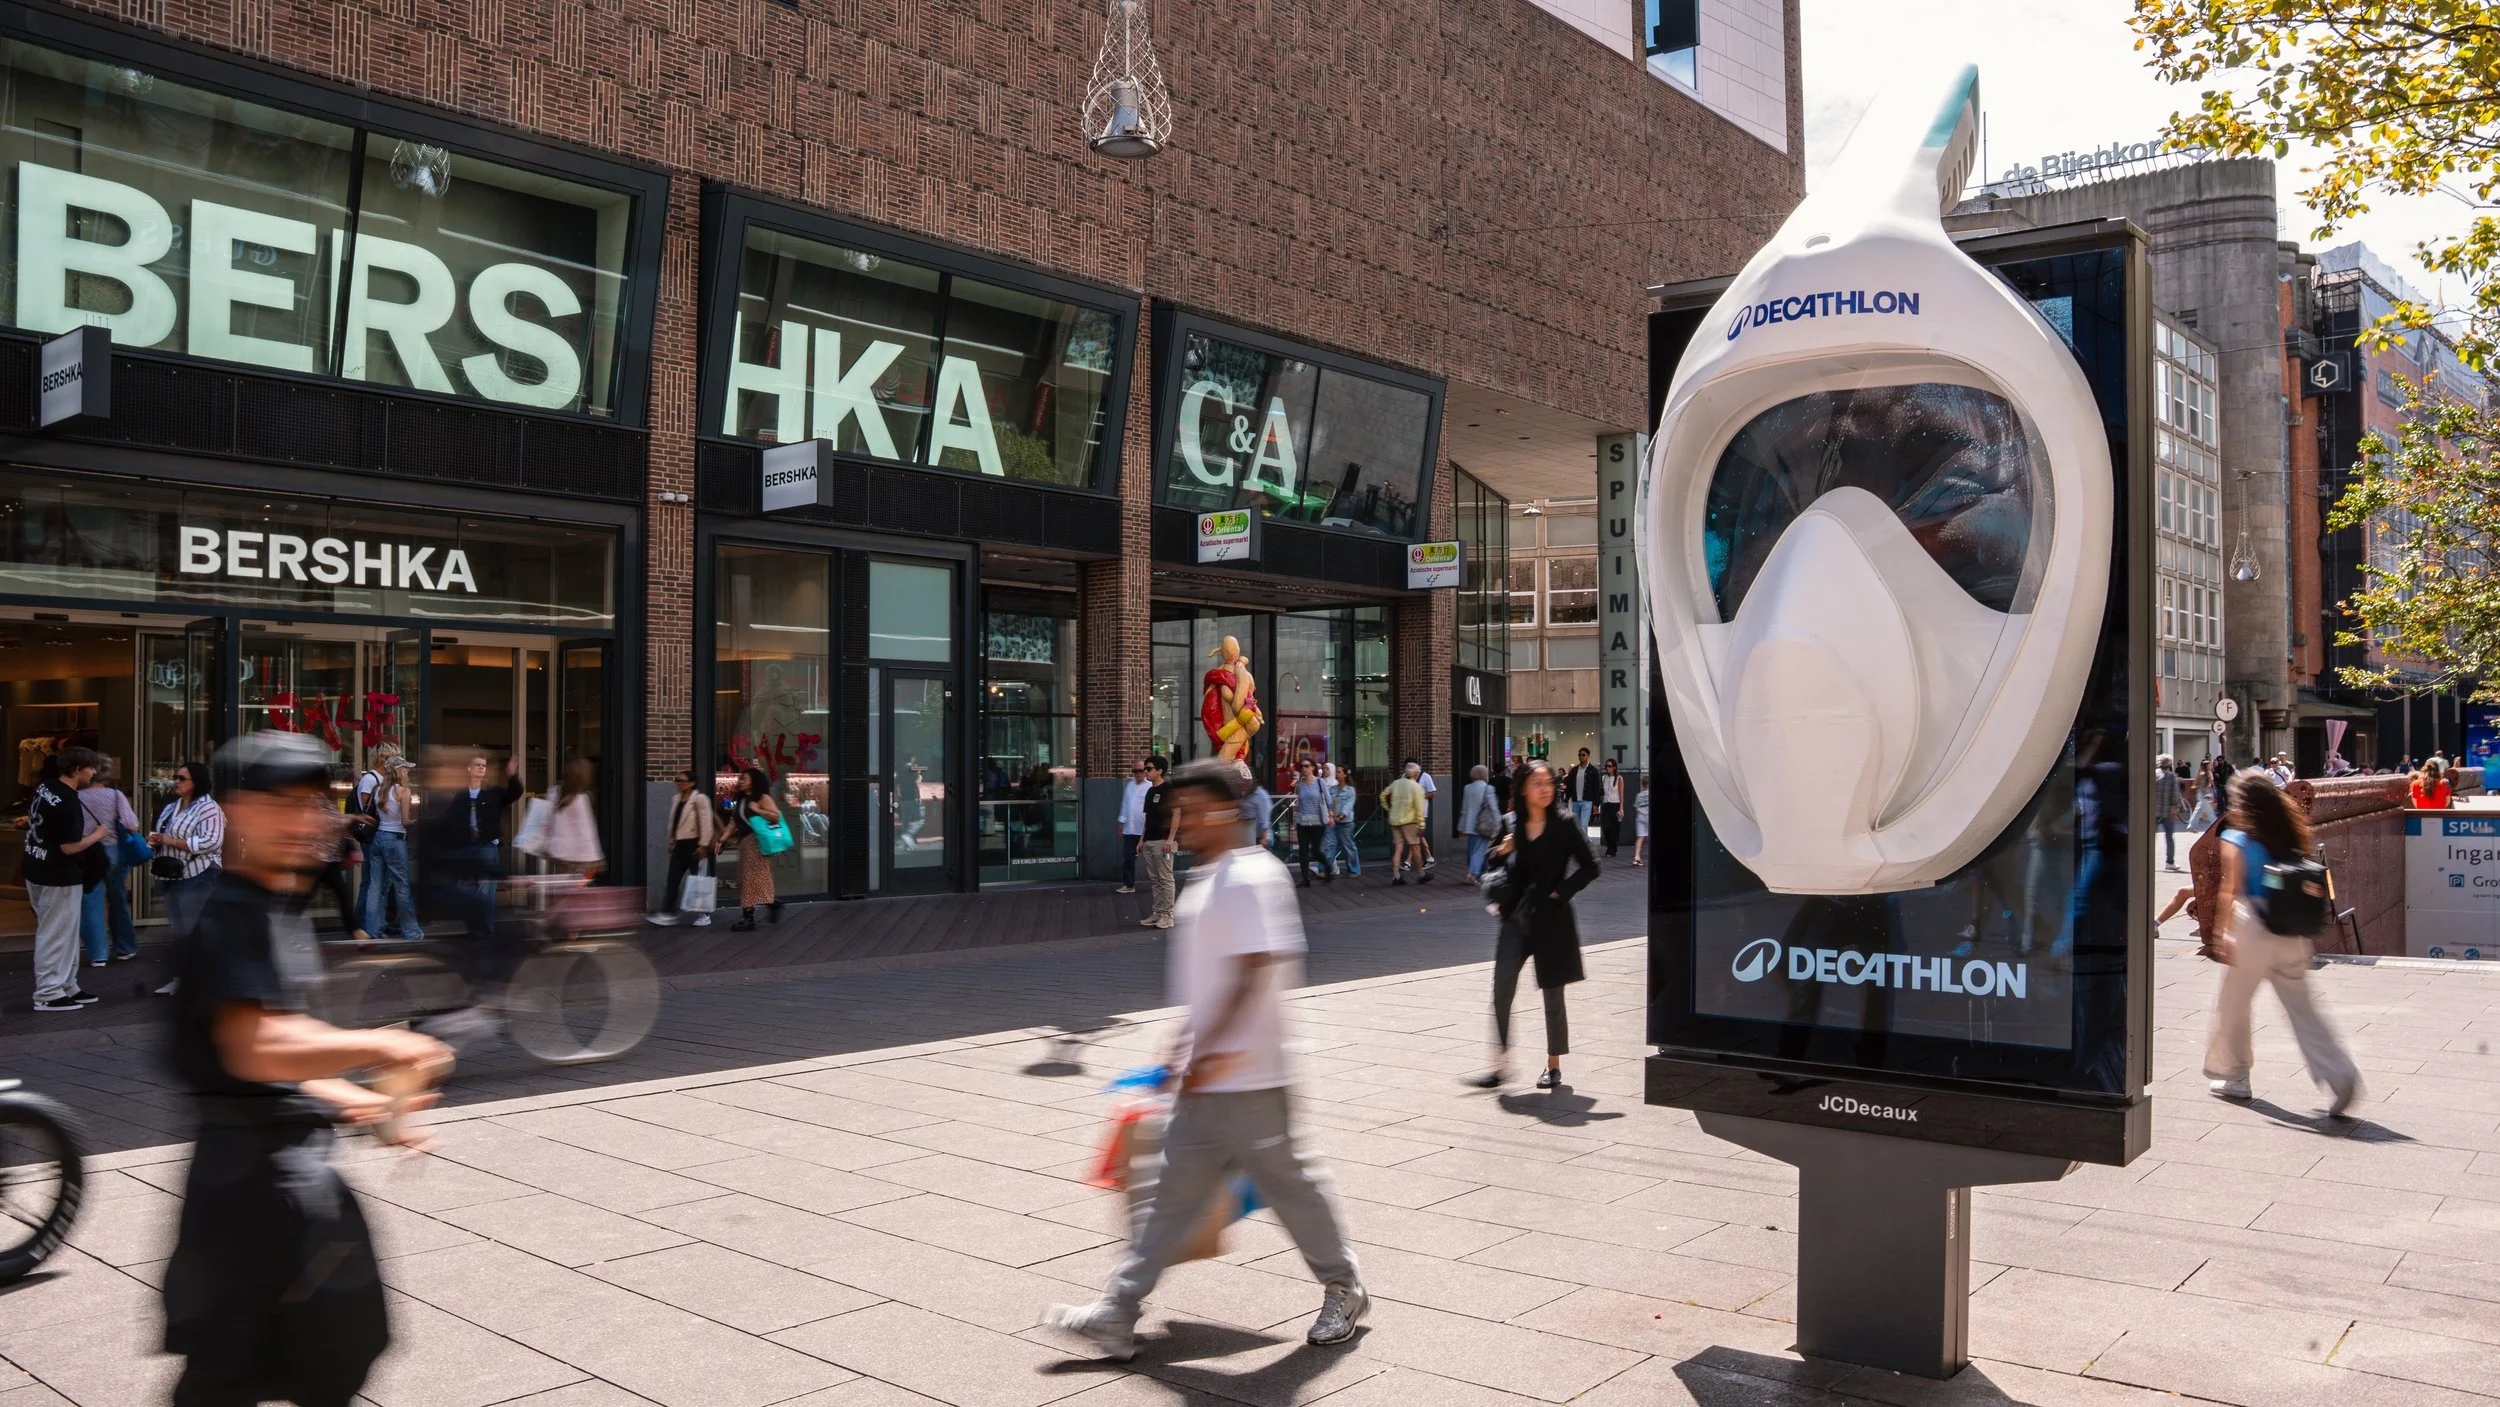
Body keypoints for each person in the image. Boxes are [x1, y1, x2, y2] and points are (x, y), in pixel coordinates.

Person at [161, 730, 454, 1407]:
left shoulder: (273, 903)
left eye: (314, 803)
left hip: (278, 1176)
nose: (306, 821)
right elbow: (253, 1043)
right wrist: (383, 1046)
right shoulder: (227, 908)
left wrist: (357, 1104)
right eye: (283, 803)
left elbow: (271, 1056)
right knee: (244, 1369)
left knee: (321, 1356)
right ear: (235, 809)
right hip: (248, 1191)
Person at [1046, 758, 1366, 1361]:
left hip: (1251, 1076)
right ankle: (1118, 1312)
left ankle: (1344, 1287)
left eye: (1189, 810)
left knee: (1292, 1186)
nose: (1179, 821)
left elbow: (1252, 971)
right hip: (1206, 1077)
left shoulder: (1252, 876)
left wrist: (1212, 1051)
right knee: (1168, 1195)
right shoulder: (1210, 877)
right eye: (1175, 811)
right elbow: (1210, 983)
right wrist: (1180, 1050)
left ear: (1223, 810)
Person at [2202, 772, 2362, 1115]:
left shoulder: (2236, 838)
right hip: (2291, 933)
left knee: (2234, 1005)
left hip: (2253, 928)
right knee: (2304, 1011)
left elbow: (2231, 889)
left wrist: (2220, 936)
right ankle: (2341, 1075)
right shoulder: (2290, 836)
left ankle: (2236, 1077)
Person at [1468, 758, 1599, 1091]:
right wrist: (1502, 849)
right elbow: (1490, 861)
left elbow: (1590, 866)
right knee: (1501, 991)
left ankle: (1552, 1065)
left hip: (1552, 921)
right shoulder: (1511, 822)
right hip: (1516, 919)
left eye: (1549, 783)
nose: (1545, 789)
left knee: (1553, 995)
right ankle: (1500, 1066)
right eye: (1538, 783)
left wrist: (1560, 892)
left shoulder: (1565, 824)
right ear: (1523, 788)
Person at [25, 748, 108, 1012]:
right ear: (76, 770)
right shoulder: (67, 800)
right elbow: (69, 847)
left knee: (65, 932)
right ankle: (49, 991)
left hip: (37, 867)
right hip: (59, 876)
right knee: (57, 933)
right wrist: (98, 834)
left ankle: (67, 984)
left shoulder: (45, 788)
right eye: (90, 768)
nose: (93, 772)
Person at [79, 761, 144, 968]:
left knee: (91, 903)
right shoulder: (115, 795)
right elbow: (132, 824)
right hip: (114, 852)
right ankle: (125, 947)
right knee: (118, 901)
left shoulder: (76, 796)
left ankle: (98, 954)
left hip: (88, 852)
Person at [150, 761, 226, 910]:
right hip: (170, 874)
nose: (176, 781)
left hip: (197, 874)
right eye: (176, 777)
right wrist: (156, 841)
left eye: (182, 778)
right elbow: (164, 834)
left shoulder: (208, 808)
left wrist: (171, 841)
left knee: (193, 927)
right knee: (179, 927)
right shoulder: (171, 807)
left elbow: (213, 841)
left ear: (196, 782)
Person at [360, 755, 421, 940]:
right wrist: (416, 821)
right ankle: (412, 932)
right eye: (405, 768)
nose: (408, 771)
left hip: (378, 838)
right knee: (401, 887)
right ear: (398, 771)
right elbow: (404, 821)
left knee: (374, 886)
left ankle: (372, 929)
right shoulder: (403, 791)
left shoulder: (379, 790)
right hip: (395, 840)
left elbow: (369, 813)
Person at [651, 768, 722, 926]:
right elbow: (674, 823)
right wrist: (672, 841)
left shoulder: (700, 799)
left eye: (683, 781)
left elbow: (705, 823)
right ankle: (667, 913)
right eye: (677, 780)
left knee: (699, 879)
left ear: (692, 783)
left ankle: (704, 914)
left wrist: (704, 845)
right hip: (680, 845)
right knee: (673, 879)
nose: (679, 784)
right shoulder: (676, 799)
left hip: (695, 844)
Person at [728, 766, 783, 931]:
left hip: (757, 843)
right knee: (750, 878)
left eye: (744, 779)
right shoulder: (741, 800)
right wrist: (722, 839)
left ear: (753, 782)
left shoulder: (762, 798)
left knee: (750, 879)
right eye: (740, 779)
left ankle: (748, 917)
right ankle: (772, 904)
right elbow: (734, 822)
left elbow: (775, 816)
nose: (740, 782)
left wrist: (757, 809)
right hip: (745, 843)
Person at [539, 758, 604, 879]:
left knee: (558, 890)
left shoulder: (553, 794)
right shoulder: (580, 799)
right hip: (576, 859)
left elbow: (545, 825)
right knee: (575, 893)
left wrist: (547, 845)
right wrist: (595, 858)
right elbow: (586, 832)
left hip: (556, 855)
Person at [1138, 757, 1176, 929]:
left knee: (1165, 878)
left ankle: (1168, 915)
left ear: (1159, 771)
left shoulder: (1168, 790)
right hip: (1150, 841)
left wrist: (1170, 839)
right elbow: (1148, 818)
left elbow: (1177, 813)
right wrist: (1141, 840)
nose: (1145, 771)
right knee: (1155, 879)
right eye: (1145, 769)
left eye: (1149, 768)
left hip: (1163, 841)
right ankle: (1158, 912)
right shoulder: (1150, 791)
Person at [1382, 762, 1429, 886]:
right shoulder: (1416, 787)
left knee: (1398, 848)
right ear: (1416, 773)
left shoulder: (1396, 783)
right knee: (1415, 847)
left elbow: (1383, 795)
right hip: (1410, 821)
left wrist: (1389, 808)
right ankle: (1421, 874)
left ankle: (1396, 876)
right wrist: (1421, 825)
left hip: (1395, 820)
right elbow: (1420, 808)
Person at [1292, 760, 1331, 888]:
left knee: (1315, 850)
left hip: (1317, 822)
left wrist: (1331, 816)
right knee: (1303, 851)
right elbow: (1298, 803)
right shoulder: (1300, 784)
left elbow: (1328, 800)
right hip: (1303, 821)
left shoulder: (1320, 782)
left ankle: (1327, 868)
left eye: (1306, 766)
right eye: (1302, 766)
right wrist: (1295, 820)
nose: (1304, 768)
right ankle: (1305, 879)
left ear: (1313, 767)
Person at [1459, 765, 1501, 879]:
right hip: (1484, 824)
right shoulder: (1489, 788)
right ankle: (1473, 873)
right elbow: (1493, 807)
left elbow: (1464, 808)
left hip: (1470, 824)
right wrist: (1498, 822)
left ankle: (1481, 872)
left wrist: (1461, 826)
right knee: (1480, 849)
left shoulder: (1467, 788)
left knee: (1472, 850)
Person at [1116, 761, 1151, 894]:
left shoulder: (1150, 786)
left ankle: (1158, 883)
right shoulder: (1130, 785)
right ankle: (1128, 885)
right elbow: (1125, 804)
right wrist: (1121, 822)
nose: (1138, 774)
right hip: (1130, 829)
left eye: (1141, 770)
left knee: (1152, 858)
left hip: (1144, 829)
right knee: (1128, 858)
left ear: (1146, 771)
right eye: (1135, 771)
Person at [1324, 763, 1361, 878]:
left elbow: (1349, 805)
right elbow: (1328, 803)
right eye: (1337, 772)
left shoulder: (1350, 790)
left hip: (1345, 823)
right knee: (1329, 845)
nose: (1337, 775)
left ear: (1345, 775)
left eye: (1339, 772)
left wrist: (1341, 816)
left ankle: (1354, 870)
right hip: (1332, 822)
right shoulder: (1333, 789)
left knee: (1348, 847)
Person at [2153, 755, 2183, 872]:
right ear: (2170, 764)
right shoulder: (2171, 776)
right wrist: (2176, 808)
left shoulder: (2153, 774)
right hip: (2167, 811)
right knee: (2169, 837)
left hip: (2153, 811)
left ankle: (2147, 860)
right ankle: (2169, 862)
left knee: (2151, 837)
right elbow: (2175, 795)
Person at [1410, 758, 1437, 874]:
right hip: (1409, 812)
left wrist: (1420, 796)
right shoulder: (1405, 777)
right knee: (1416, 835)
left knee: (1416, 834)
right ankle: (1428, 858)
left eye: (1411, 767)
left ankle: (1410, 861)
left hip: (1421, 811)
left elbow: (1432, 793)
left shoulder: (1425, 777)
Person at [1565, 749, 1600, 831]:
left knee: (1584, 824)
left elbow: (1596, 787)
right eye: (1579, 755)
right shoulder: (1574, 770)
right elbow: (1570, 785)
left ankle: (1583, 843)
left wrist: (1596, 803)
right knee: (1576, 825)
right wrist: (1566, 799)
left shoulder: (1593, 770)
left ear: (1588, 756)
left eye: (1583, 755)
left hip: (1587, 801)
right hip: (1575, 801)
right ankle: (1578, 842)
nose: (1581, 756)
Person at [1597, 759, 1623, 859]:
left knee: (1614, 829)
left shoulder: (1619, 778)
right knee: (1605, 827)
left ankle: (1612, 849)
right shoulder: (1604, 778)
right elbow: (1602, 792)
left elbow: (1621, 795)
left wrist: (1621, 808)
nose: (1607, 768)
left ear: (1614, 767)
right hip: (1606, 804)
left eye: (1610, 766)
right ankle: (1611, 846)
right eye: (1606, 766)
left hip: (1615, 804)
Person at [1632, 772, 1650, 867]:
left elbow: (1636, 806)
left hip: (1640, 817)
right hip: (1649, 817)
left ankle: (1637, 857)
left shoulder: (1639, 795)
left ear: (1643, 785)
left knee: (1640, 837)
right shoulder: (1651, 795)